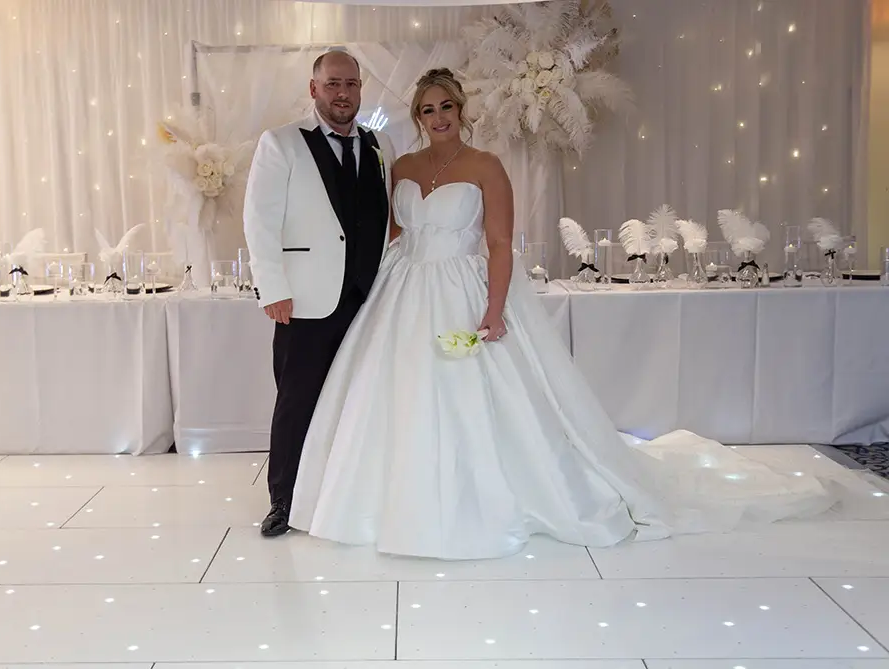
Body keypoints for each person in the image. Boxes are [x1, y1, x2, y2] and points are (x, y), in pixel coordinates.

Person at [287, 68, 889, 560]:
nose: (438, 118)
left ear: (460, 110)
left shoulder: (486, 166)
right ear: (416, 117)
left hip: (462, 289)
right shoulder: (403, 168)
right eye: (427, 110)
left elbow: (498, 244)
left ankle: (491, 495)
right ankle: (389, 500)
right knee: (397, 395)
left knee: (478, 398)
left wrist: (494, 311)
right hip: (404, 292)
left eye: (446, 107)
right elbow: (395, 233)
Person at [243, 51, 396, 537]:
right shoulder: (281, 143)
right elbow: (259, 220)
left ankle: (343, 496)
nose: (343, 93)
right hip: (305, 299)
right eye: (332, 83)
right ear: (314, 89)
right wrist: (273, 287)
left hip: (369, 299)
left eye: (351, 83)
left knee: (358, 400)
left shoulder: (380, 145)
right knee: (297, 401)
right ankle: (283, 502)